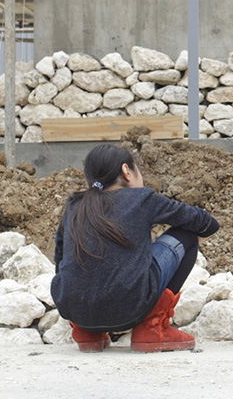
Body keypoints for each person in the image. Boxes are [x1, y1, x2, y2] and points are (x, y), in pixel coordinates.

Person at [51, 144, 219, 353]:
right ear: (126, 171)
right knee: (187, 235)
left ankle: (86, 332)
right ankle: (152, 328)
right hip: (129, 308)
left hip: (75, 311)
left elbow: (60, 259)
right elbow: (205, 222)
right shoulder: (141, 199)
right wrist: (199, 234)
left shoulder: (74, 206)